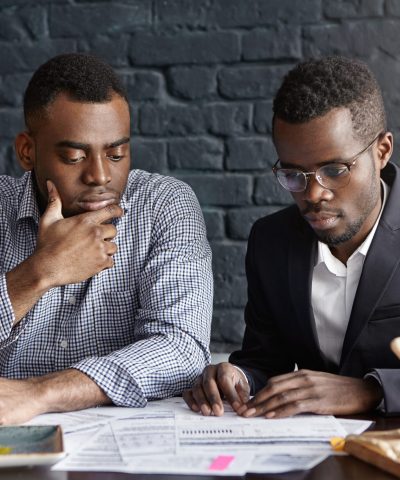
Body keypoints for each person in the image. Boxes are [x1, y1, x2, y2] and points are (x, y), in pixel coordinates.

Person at [0, 53, 213, 424]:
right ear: (27, 151)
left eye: (116, 154)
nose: (99, 175)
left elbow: (181, 348)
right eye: (73, 156)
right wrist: (40, 273)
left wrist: (43, 393)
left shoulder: (165, 206)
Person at [184, 56, 400, 418]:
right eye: (293, 173)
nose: (313, 194)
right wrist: (238, 376)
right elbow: (267, 360)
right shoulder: (271, 242)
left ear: (382, 152)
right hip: (311, 452)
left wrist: (369, 391)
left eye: (334, 170)